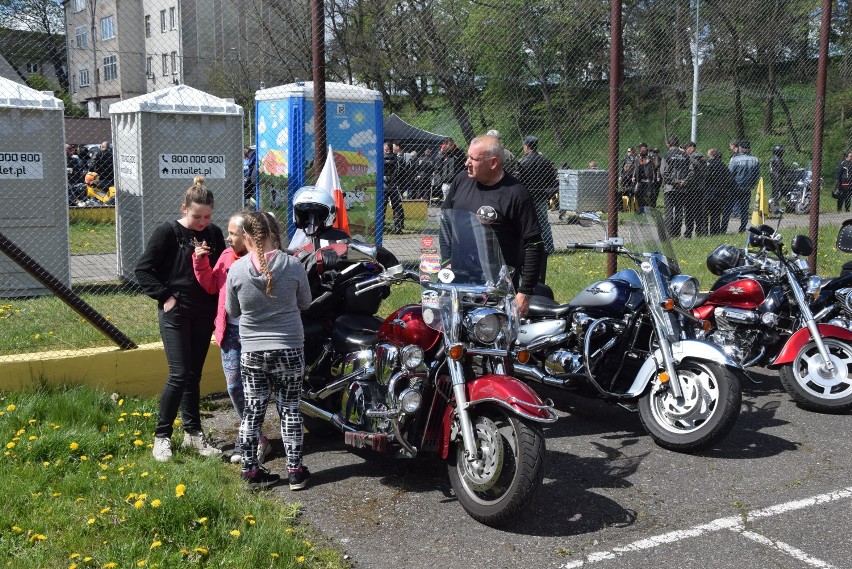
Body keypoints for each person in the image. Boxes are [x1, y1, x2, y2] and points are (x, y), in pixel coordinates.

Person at [134, 176, 226, 462]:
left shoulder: (214, 233)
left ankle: (193, 434)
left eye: (207, 216)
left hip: (203, 312)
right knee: (179, 374)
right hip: (176, 312)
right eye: (197, 216)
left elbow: (221, 268)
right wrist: (166, 297)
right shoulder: (168, 231)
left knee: (194, 375)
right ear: (184, 208)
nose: (202, 222)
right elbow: (143, 270)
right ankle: (162, 437)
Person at [225, 211, 312, 490]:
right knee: (290, 409)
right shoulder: (294, 265)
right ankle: (296, 471)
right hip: (289, 347)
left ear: (247, 237)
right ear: (276, 233)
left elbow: (232, 310)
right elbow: (306, 303)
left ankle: (250, 472)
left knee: (252, 411)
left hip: (252, 351)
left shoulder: (237, 270)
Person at [193, 212, 271, 466]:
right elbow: (212, 285)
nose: (228, 239)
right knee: (234, 386)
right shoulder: (226, 257)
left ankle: (250, 437)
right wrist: (200, 262)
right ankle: (256, 435)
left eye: (234, 234)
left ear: (248, 237)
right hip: (230, 333)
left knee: (256, 389)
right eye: (228, 233)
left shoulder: (262, 260)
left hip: (255, 333)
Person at [441, 134, 544, 317]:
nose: (467, 163)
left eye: (473, 159)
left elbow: (534, 244)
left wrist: (524, 292)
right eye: (468, 157)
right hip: (459, 282)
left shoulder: (516, 194)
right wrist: (447, 261)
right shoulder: (461, 181)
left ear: (493, 162)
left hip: (498, 288)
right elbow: (446, 223)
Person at [518, 134, 558, 281]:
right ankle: (548, 247)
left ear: (527, 146)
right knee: (544, 223)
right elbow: (552, 180)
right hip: (541, 197)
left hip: (527, 197)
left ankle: (527, 248)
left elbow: (520, 180)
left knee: (526, 224)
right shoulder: (546, 162)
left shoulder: (522, 162)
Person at [659, 136, 691, 238]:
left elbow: (663, 172)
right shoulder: (685, 155)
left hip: (670, 188)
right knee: (678, 211)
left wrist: (673, 181)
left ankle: (669, 233)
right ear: (678, 143)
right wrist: (683, 181)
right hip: (682, 189)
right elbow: (691, 171)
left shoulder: (667, 155)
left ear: (669, 144)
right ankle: (677, 233)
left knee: (669, 210)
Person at [728, 138, 761, 233]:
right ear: (749, 148)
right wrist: (752, 184)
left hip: (735, 186)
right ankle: (742, 228)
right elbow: (756, 175)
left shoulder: (735, 159)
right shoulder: (755, 160)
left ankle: (723, 228)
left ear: (740, 148)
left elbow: (730, 173)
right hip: (747, 187)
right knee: (744, 209)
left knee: (728, 208)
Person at [705, 148, 734, 235]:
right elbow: (729, 179)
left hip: (709, 193)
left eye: (708, 154)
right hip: (721, 193)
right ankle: (716, 232)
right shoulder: (723, 165)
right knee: (716, 214)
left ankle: (706, 232)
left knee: (706, 213)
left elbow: (705, 178)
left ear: (711, 155)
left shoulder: (709, 164)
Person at [683, 141, 706, 237]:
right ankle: (699, 230)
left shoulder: (691, 158)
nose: (685, 151)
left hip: (691, 188)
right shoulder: (703, 158)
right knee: (698, 210)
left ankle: (688, 231)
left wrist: (685, 182)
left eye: (686, 148)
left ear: (691, 148)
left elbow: (691, 173)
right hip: (700, 188)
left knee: (689, 210)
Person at [382, 142, 404, 234]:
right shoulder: (398, 159)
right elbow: (401, 172)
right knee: (397, 206)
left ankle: (380, 227)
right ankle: (398, 227)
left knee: (381, 207)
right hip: (394, 185)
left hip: (383, 185)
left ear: (385, 149)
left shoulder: (379, 159)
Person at [437, 137, 466, 202]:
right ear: (445, 145)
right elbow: (438, 166)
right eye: (449, 145)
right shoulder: (442, 153)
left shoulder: (458, 151)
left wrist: (453, 153)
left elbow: (464, 163)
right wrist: (442, 153)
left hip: (457, 180)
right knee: (447, 202)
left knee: (457, 201)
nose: (451, 146)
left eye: (452, 144)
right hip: (446, 181)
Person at [632, 143, 656, 214]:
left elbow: (655, 165)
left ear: (645, 148)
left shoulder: (650, 156)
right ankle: (640, 208)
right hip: (640, 179)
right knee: (637, 193)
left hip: (648, 179)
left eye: (641, 148)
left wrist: (650, 156)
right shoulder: (638, 157)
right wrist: (633, 176)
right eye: (639, 148)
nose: (640, 149)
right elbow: (635, 167)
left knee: (649, 194)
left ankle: (648, 210)